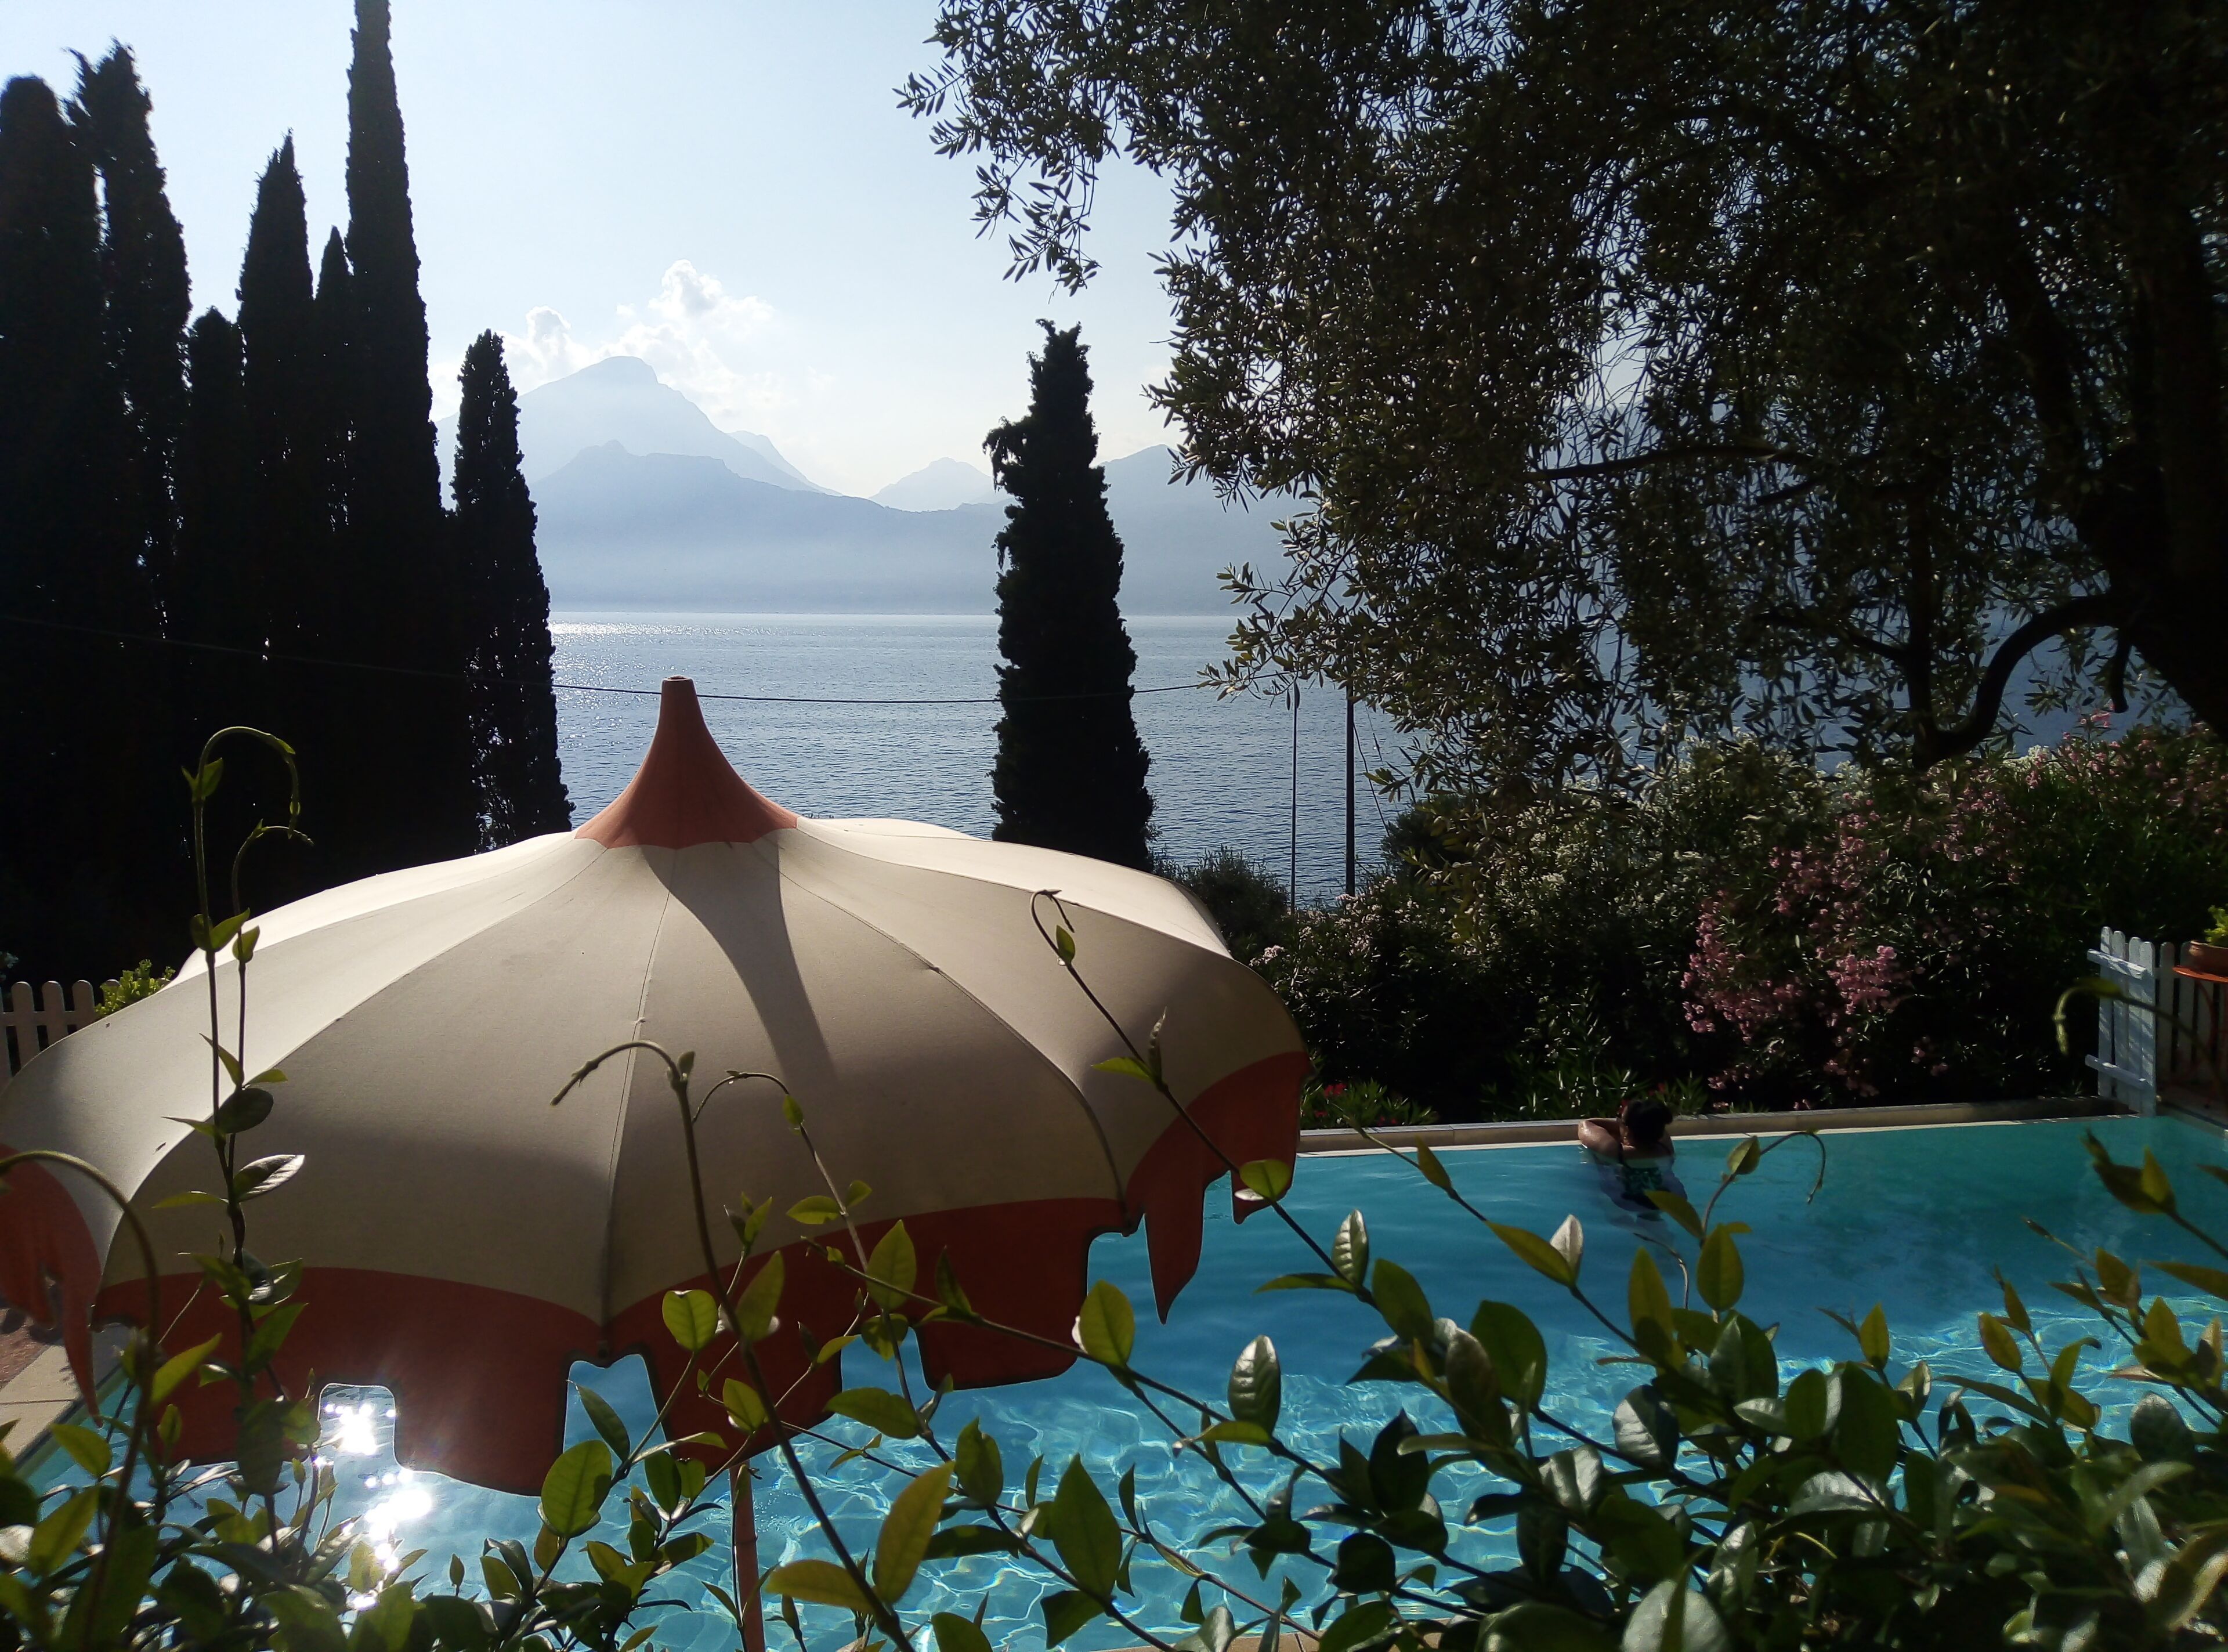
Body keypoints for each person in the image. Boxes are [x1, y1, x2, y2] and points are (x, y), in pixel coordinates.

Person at [1579, 1094, 1679, 1212]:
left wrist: (1623, 1130)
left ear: (1627, 1129)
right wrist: (1626, 1126)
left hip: (1625, 1202)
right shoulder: (1667, 1148)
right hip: (1669, 1200)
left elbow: (1586, 1125)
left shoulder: (1613, 1151)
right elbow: (1651, 1126)